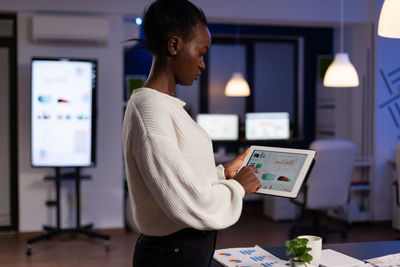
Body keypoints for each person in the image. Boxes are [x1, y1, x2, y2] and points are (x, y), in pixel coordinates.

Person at [122, 0, 261, 266]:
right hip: (172, 254)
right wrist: (238, 187)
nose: (203, 64)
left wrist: (222, 173)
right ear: (174, 46)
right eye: (200, 52)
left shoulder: (164, 106)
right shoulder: (150, 111)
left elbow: (179, 178)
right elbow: (184, 201)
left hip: (182, 250)